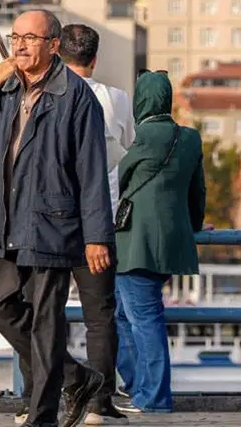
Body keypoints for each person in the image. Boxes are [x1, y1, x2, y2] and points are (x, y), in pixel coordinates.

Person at [0, 9, 114, 427]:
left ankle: (42, 416)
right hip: (6, 219)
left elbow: (92, 170)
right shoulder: (7, 87)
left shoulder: (75, 95)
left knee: (47, 321)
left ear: (53, 45)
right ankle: (76, 377)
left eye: (31, 38)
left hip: (53, 222)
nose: (20, 45)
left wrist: (96, 236)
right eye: (15, 38)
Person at [112, 71, 207, 414]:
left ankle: (153, 399)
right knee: (123, 314)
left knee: (144, 319)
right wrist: (194, 226)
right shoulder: (190, 139)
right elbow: (198, 192)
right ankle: (138, 386)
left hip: (134, 244)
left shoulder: (141, 140)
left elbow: (118, 183)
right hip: (172, 243)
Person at [58, 24, 136, 425]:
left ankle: (44, 392)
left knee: (44, 311)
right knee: (100, 316)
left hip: (54, 221)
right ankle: (100, 400)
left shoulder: (49, 95)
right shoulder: (117, 99)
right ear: (95, 57)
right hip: (101, 220)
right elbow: (127, 147)